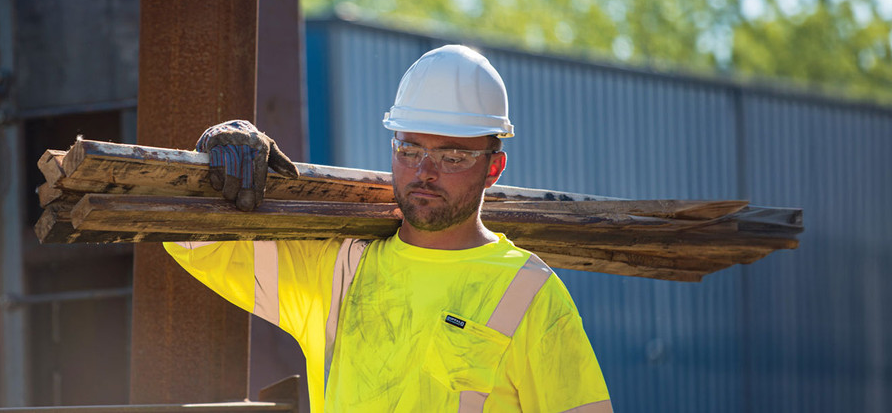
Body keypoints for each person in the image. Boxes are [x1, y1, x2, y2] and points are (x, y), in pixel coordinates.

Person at [164, 45, 612, 412]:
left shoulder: (528, 293)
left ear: (493, 168)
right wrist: (213, 153)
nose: (425, 172)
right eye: (409, 149)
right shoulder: (338, 271)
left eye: (453, 156)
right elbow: (191, 239)